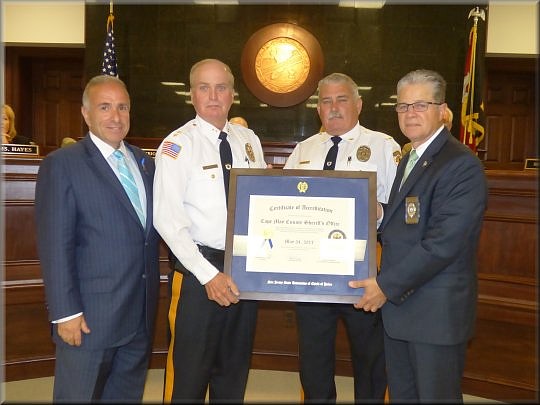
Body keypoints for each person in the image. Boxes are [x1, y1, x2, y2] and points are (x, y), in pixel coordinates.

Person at [349, 69, 487, 402]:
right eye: (403, 106)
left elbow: (443, 244)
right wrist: (381, 213)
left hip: (434, 316)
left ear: (442, 110)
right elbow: (410, 222)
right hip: (402, 313)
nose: (410, 113)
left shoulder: (461, 165)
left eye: (421, 105)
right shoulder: (411, 156)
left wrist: (384, 286)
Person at [35, 74, 161, 402]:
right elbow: (55, 245)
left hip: (138, 317)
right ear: (86, 113)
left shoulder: (145, 162)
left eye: (122, 107)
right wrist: (65, 313)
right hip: (89, 320)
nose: (115, 116)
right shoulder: (62, 164)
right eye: (105, 107)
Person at [153, 58, 267, 403]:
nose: (213, 96)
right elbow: (167, 221)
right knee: (188, 376)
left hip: (243, 271)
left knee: (233, 374)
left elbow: (262, 204)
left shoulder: (249, 140)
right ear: (192, 95)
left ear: (233, 94)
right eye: (204, 87)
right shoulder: (177, 146)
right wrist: (208, 275)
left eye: (221, 87)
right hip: (198, 272)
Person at [284, 72, 401, 403]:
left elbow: (402, 208)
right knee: (314, 359)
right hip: (311, 273)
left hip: (363, 274)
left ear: (358, 104)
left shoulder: (383, 147)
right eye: (325, 101)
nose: (333, 108)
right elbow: (282, 205)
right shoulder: (303, 151)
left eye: (342, 99)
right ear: (317, 108)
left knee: (370, 359)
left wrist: (377, 209)